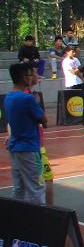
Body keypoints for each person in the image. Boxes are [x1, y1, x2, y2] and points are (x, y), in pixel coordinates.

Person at [4, 63, 47, 204]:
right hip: (29, 147)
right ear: (25, 78)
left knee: (19, 188)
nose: (33, 77)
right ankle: (37, 215)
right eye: (31, 74)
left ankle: (17, 214)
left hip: (15, 147)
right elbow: (44, 120)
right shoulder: (28, 99)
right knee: (36, 187)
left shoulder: (8, 97)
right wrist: (37, 102)